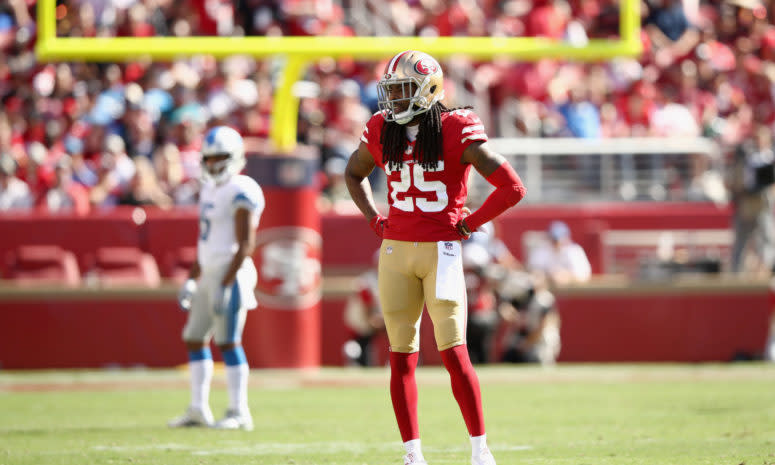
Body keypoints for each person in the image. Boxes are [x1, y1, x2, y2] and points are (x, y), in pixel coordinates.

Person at [344, 50, 527, 465]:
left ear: (428, 88)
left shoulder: (455, 126)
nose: (394, 99)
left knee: (454, 354)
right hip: (394, 254)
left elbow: (512, 188)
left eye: (404, 89)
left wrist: (470, 224)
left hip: (441, 252)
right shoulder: (379, 128)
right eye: (390, 90)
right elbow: (352, 173)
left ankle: (480, 450)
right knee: (400, 357)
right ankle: (413, 455)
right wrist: (375, 219)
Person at [168, 125, 265, 431]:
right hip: (209, 271)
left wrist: (226, 284)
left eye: (219, 157)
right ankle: (198, 408)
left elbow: (245, 245)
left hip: (231, 274)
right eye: (208, 159)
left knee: (228, 341)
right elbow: (206, 242)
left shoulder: (242, 188)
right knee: (194, 338)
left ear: (234, 157)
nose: (212, 164)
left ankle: (239, 412)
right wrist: (192, 278)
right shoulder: (210, 189)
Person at [496, 269, 561, 365]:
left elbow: (544, 326)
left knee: (534, 358)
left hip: (539, 341)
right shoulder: (525, 297)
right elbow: (508, 311)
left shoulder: (544, 299)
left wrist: (526, 343)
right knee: (509, 355)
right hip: (524, 338)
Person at [342, 250, 385, 366]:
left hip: (373, 319)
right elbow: (367, 304)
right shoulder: (367, 280)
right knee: (360, 345)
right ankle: (355, 362)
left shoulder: (385, 279)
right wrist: (373, 319)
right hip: (360, 321)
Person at [527, 220, 591, 287]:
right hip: (548, 291)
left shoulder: (574, 251)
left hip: (572, 293)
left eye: (558, 240)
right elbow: (534, 272)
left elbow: (584, 275)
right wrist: (548, 276)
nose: (556, 243)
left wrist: (567, 277)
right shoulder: (541, 250)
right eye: (554, 239)